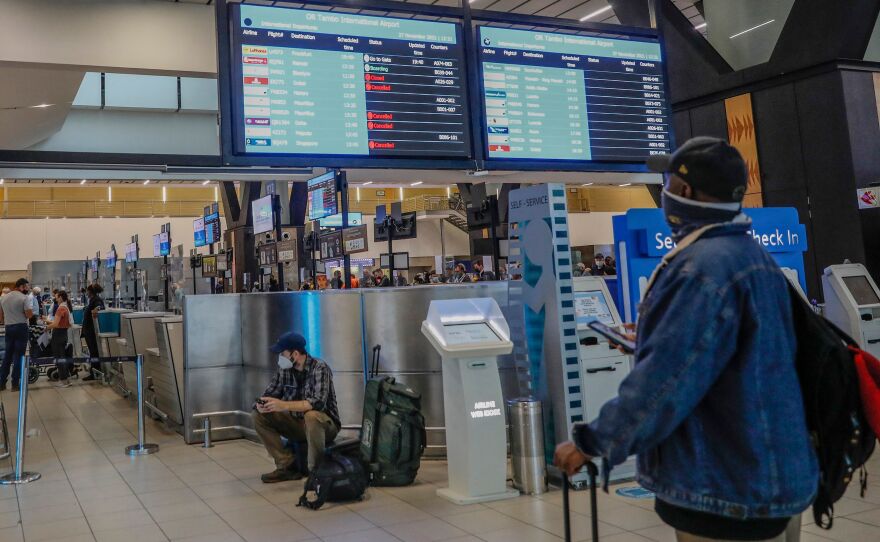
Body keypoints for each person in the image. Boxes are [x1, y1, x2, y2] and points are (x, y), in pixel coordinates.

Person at [554, 137, 816, 542]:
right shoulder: (753, 257)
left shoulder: (699, 269)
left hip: (722, 485)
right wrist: (652, 337)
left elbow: (665, 384)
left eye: (669, 182)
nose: (665, 192)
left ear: (684, 192)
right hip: (763, 472)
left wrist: (591, 441)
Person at [252, 332, 340, 482]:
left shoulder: (320, 368)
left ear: (295, 354)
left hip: (324, 426)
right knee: (257, 415)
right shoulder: (284, 370)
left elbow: (317, 403)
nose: (280, 357)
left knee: (311, 415)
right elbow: (270, 393)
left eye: (282, 353)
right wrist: (261, 405)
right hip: (296, 423)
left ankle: (316, 472)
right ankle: (286, 466)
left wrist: (283, 405)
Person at [0, 279, 34, 391]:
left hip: (9, 328)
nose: (27, 289)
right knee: (18, 356)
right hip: (21, 328)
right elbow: (29, 315)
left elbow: (1, 317)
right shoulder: (24, 298)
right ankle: (15, 384)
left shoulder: (3, 297)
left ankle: (2, 383)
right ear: (21, 286)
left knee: (7, 356)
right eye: (26, 287)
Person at [45, 290, 73, 388]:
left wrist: (46, 328)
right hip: (63, 334)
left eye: (56, 297)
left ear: (61, 297)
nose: (55, 299)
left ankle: (63, 380)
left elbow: (56, 324)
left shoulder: (61, 308)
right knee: (62, 357)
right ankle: (67, 379)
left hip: (58, 335)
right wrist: (48, 322)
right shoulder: (66, 307)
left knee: (59, 358)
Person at [81, 284, 105, 381]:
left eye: (87, 290)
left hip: (91, 331)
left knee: (94, 352)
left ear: (90, 291)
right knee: (93, 352)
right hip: (88, 331)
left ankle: (94, 373)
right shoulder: (92, 299)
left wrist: (97, 309)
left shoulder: (96, 299)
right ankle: (94, 371)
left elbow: (101, 307)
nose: (86, 292)